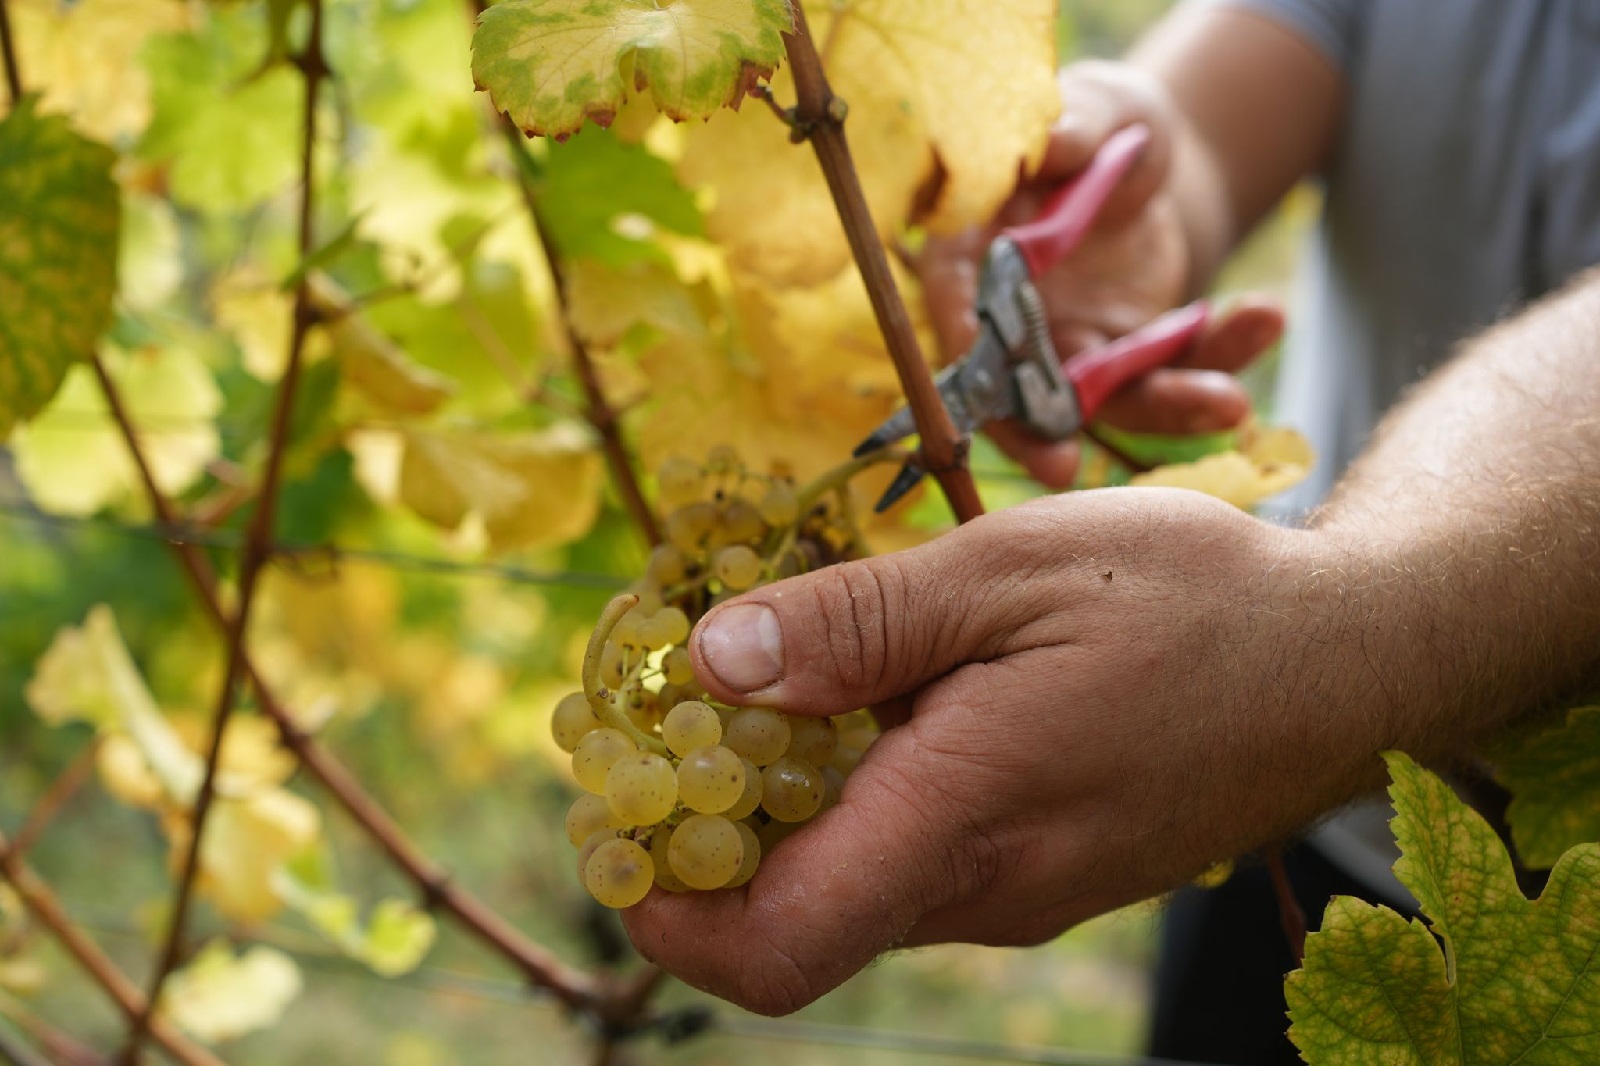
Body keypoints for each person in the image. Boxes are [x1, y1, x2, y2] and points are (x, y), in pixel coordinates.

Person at [621, 1, 1600, 1059]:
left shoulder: (1259, 697)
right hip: (1289, 806)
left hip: (1312, 747)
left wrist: (1345, 628)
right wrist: (1159, 181)